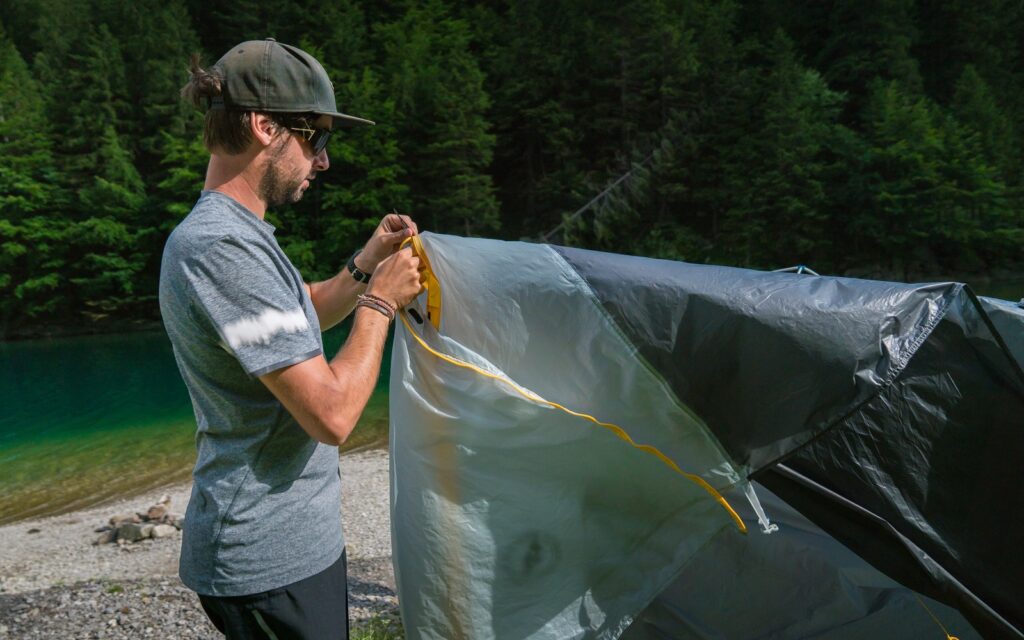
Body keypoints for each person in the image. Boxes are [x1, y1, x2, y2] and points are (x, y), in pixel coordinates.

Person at [158, 38, 422, 639]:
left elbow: (303, 313)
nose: (322, 161)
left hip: (286, 548)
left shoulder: (239, 234)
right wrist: (380, 302)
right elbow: (331, 414)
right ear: (263, 126)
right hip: (266, 559)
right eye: (316, 138)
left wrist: (366, 260)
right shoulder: (221, 248)